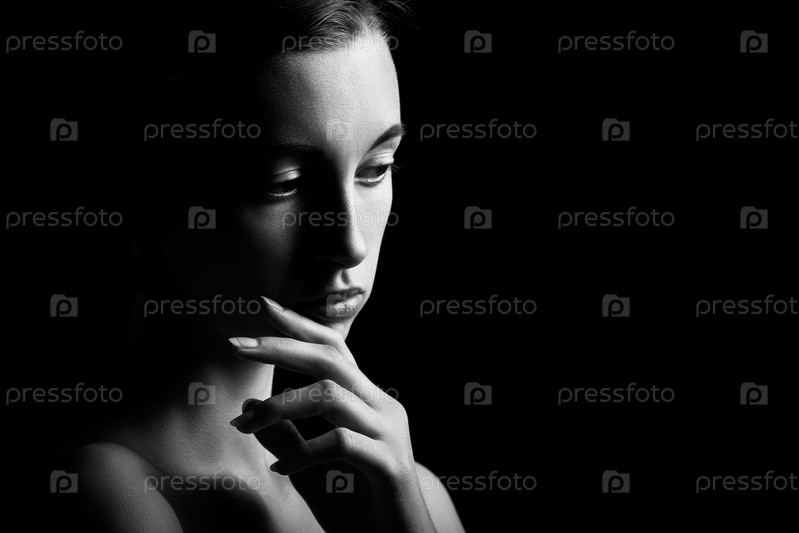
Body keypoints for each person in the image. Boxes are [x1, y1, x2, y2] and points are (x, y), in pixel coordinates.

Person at [57, 1, 465, 531]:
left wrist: (404, 501)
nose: (350, 243)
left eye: (375, 168)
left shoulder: (398, 484)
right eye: (283, 183)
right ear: (135, 199)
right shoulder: (102, 489)